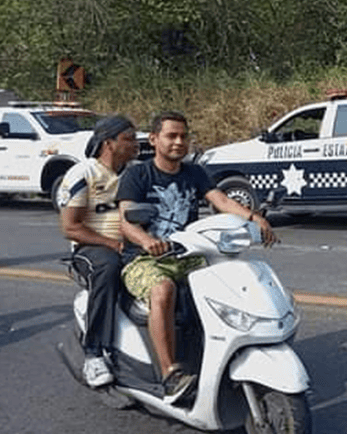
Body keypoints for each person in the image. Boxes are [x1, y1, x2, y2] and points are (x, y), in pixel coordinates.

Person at [117, 111, 277, 405]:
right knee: (163, 289)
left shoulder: (195, 173)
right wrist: (147, 241)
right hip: (145, 259)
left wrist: (256, 219)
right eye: (171, 135)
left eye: (184, 136)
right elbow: (126, 220)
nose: (179, 142)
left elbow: (223, 201)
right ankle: (170, 375)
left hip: (190, 255)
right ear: (154, 139)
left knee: (234, 279)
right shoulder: (138, 174)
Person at [59, 115, 139, 388]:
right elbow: (70, 228)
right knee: (108, 267)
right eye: (128, 139)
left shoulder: (136, 171)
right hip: (91, 247)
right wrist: (112, 243)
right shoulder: (83, 174)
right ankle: (94, 353)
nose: (135, 144)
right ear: (109, 143)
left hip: (133, 242)